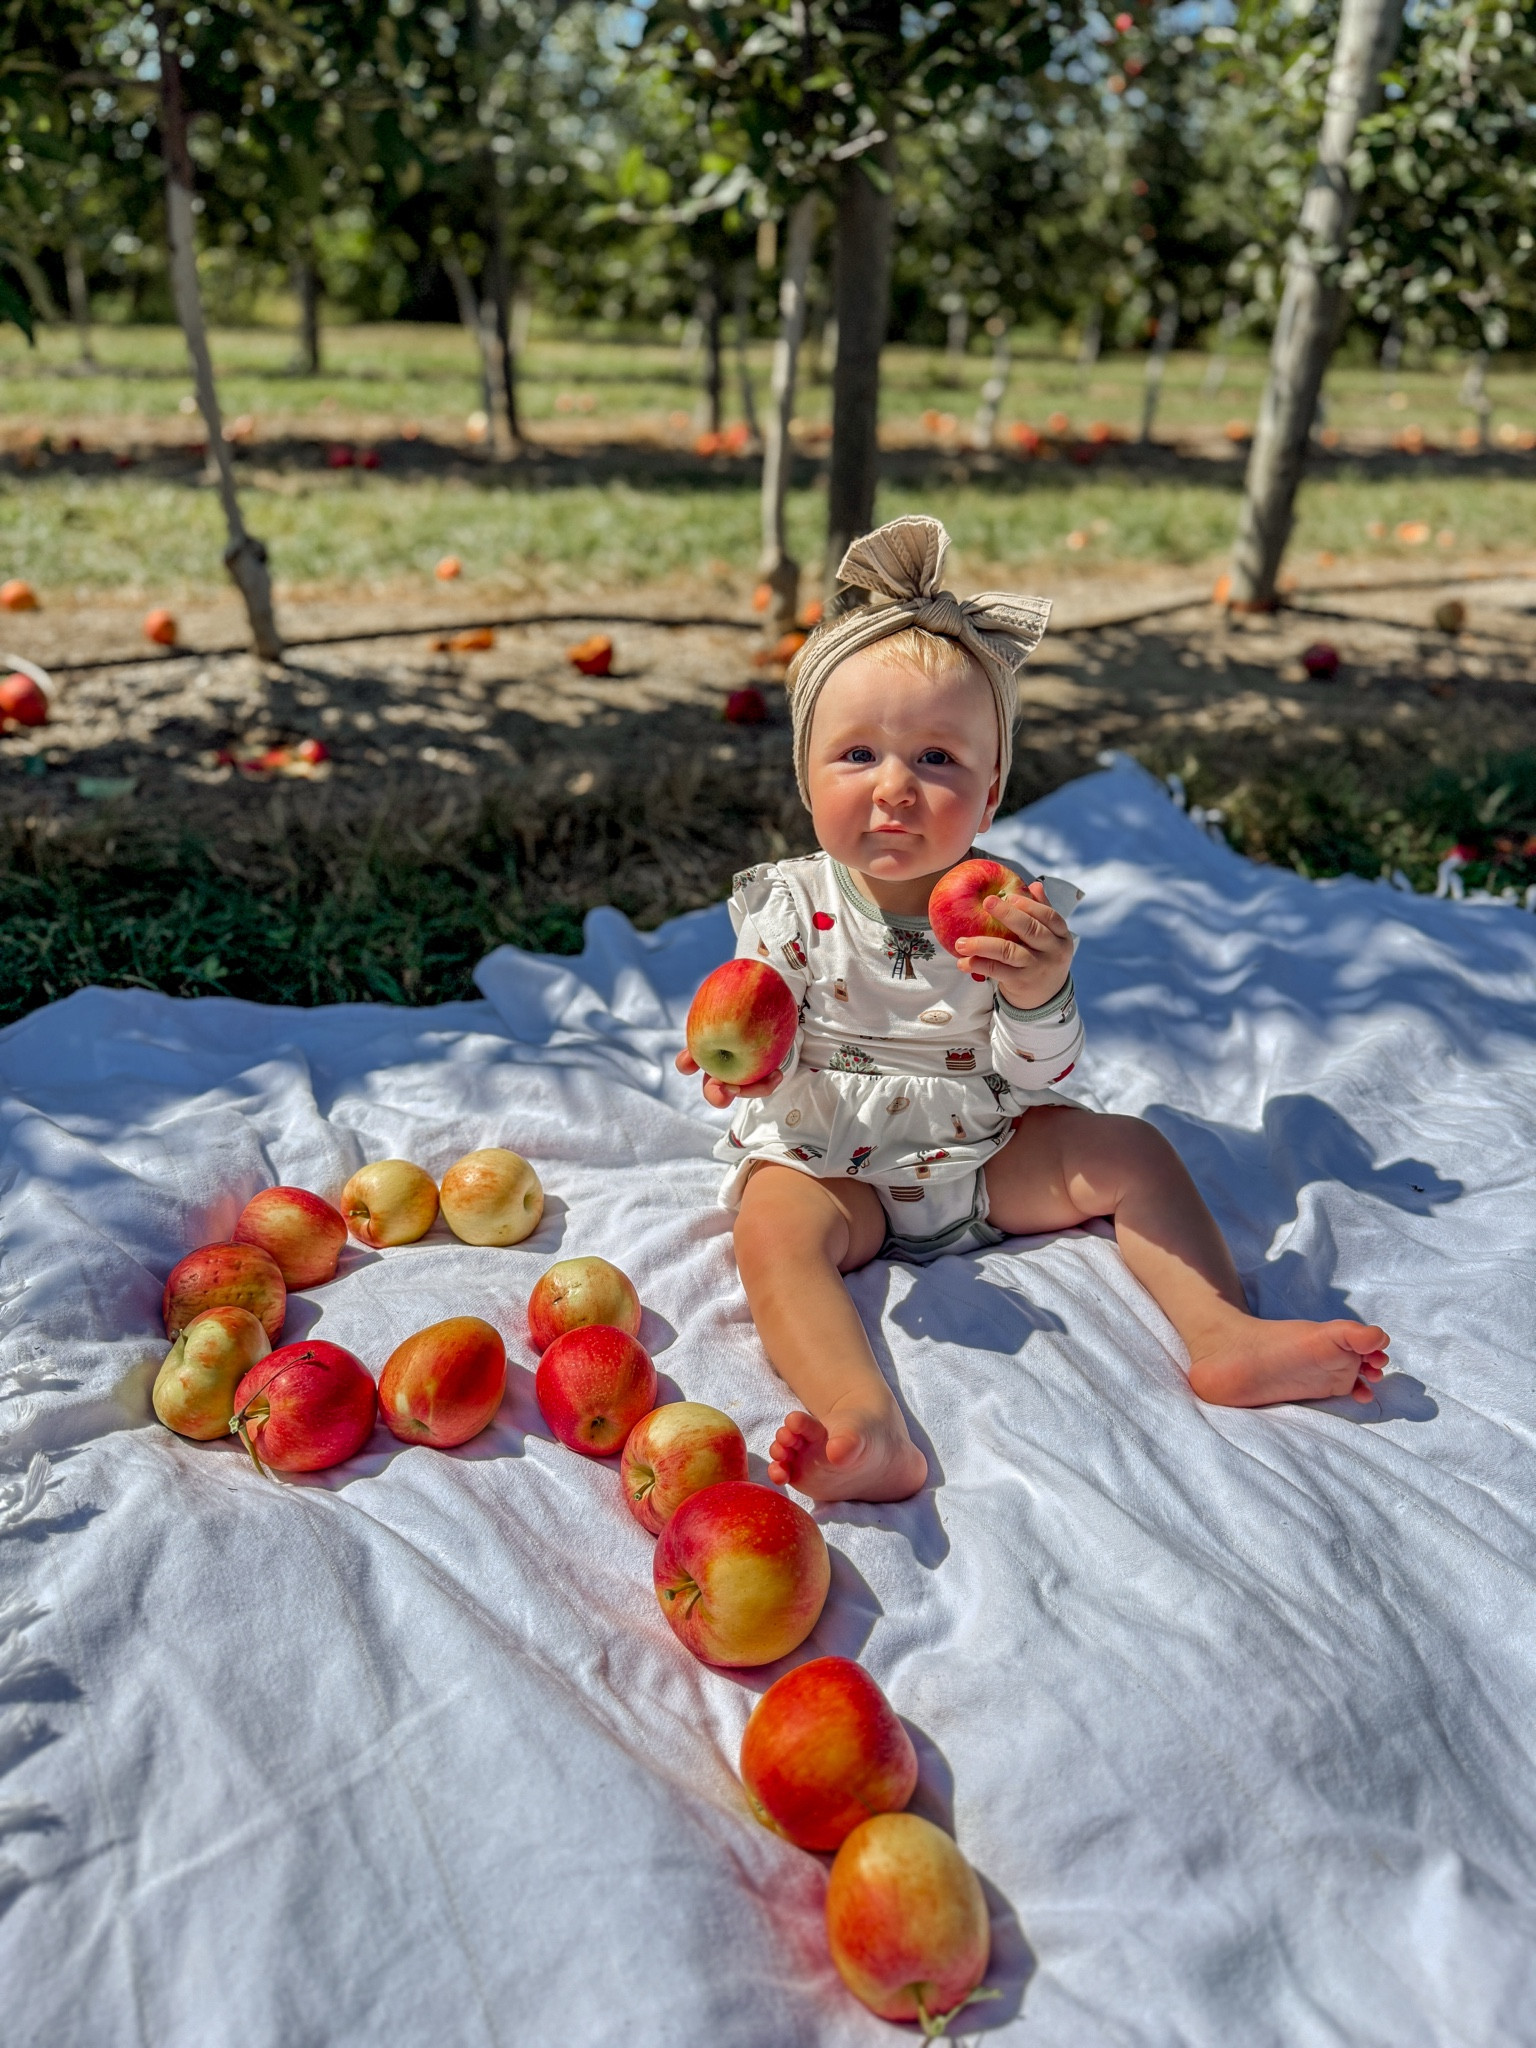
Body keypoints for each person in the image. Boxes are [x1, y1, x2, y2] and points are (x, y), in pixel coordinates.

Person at [677, 516, 1389, 1504]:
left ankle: (1223, 1331)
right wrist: (736, 1065)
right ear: (804, 770)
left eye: (936, 758)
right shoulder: (789, 903)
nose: (894, 787)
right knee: (772, 1222)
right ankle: (864, 1417)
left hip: (984, 1151)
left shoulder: (1011, 911)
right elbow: (756, 1023)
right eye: (855, 756)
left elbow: (1039, 1078)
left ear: (992, 788)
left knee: (1131, 1150)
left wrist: (1035, 992)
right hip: (841, 1168)